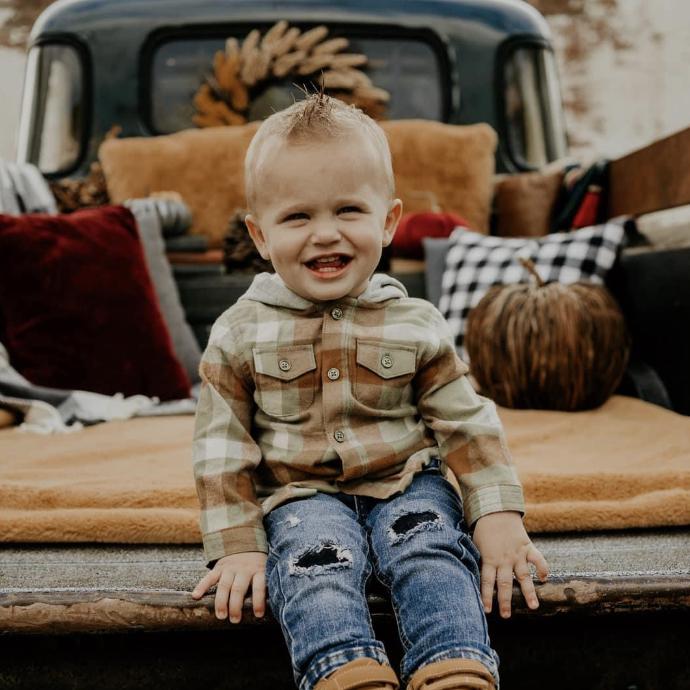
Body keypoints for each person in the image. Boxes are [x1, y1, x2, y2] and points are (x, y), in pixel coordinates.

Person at [191, 92, 549, 690]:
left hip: (407, 480)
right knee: (314, 564)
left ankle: (452, 662)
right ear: (260, 234)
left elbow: (466, 422)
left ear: (387, 221)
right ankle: (344, 669)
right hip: (300, 493)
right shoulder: (239, 331)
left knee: (430, 546)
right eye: (297, 217)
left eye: (349, 210)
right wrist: (238, 546)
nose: (325, 234)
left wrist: (496, 513)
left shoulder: (416, 323)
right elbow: (220, 447)